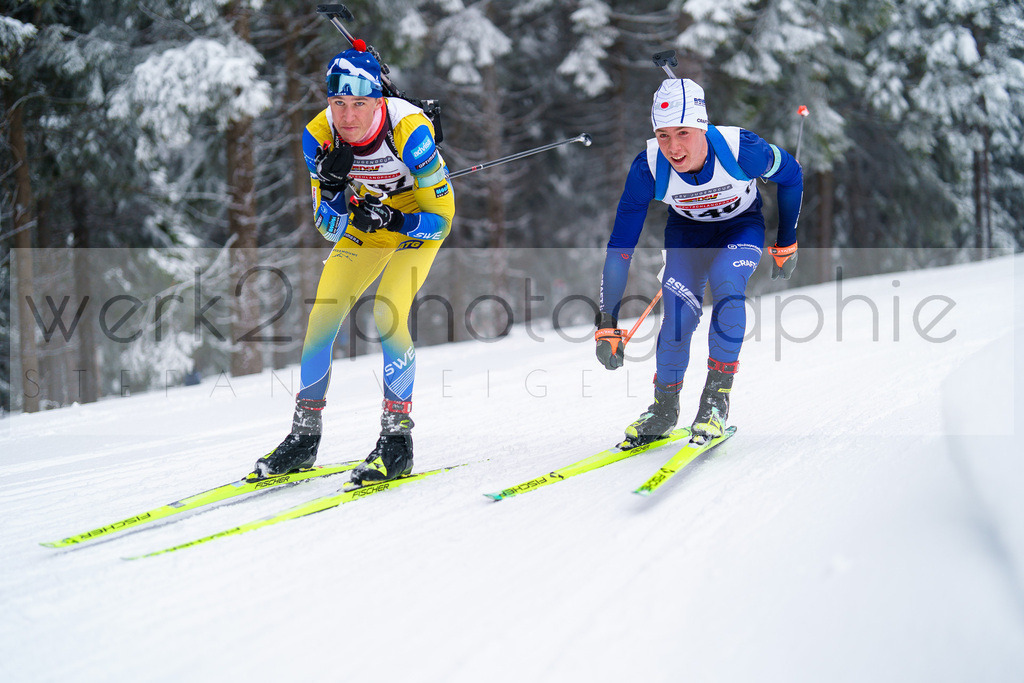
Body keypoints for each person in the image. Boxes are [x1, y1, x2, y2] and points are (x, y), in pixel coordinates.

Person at [252, 47, 455, 485]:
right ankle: (304, 437)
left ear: (378, 102)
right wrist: (332, 186)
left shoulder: (409, 131)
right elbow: (328, 228)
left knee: (386, 313)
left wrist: (397, 219)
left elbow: (440, 220)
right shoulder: (318, 136)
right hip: (366, 222)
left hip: (415, 220)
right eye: (338, 103)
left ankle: (397, 441)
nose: (348, 116)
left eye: (359, 103)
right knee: (322, 316)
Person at [595, 77, 802, 446]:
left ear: (702, 126)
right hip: (687, 235)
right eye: (663, 136)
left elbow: (792, 175)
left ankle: (714, 403)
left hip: (740, 229)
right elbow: (620, 247)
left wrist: (786, 243)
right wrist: (607, 322)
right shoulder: (647, 168)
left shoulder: (742, 150)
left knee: (727, 282)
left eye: (683, 133)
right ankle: (663, 409)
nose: (673, 148)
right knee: (677, 314)